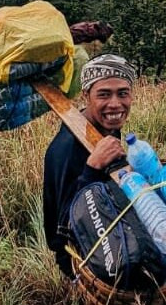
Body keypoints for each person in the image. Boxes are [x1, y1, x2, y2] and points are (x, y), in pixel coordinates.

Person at [42, 53, 137, 275]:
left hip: (108, 227)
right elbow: (63, 224)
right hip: (82, 257)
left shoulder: (104, 127)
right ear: (86, 95)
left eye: (123, 93)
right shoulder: (67, 147)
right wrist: (91, 169)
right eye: (104, 94)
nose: (115, 104)